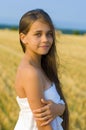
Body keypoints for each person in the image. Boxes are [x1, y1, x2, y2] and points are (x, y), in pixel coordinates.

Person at [14, 9, 69, 130]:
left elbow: (57, 108)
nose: (45, 39)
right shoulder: (30, 72)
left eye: (49, 34)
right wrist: (59, 109)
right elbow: (43, 126)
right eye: (38, 34)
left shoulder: (41, 67)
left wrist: (59, 108)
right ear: (23, 38)